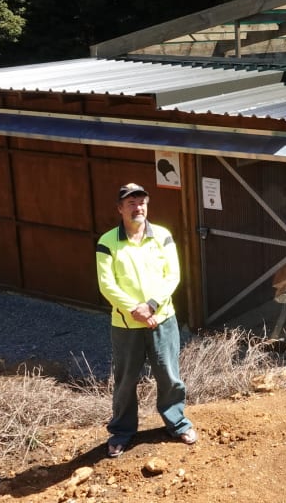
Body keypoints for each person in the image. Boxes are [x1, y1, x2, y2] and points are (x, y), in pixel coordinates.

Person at [96, 182, 196, 458]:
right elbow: (106, 284)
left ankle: (177, 423)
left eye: (141, 202)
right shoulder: (107, 242)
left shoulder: (162, 236)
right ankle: (122, 432)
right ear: (120, 208)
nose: (138, 207)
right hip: (126, 325)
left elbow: (172, 275)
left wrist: (151, 306)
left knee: (169, 375)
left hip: (162, 319)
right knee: (125, 381)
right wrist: (135, 310)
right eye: (131, 203)